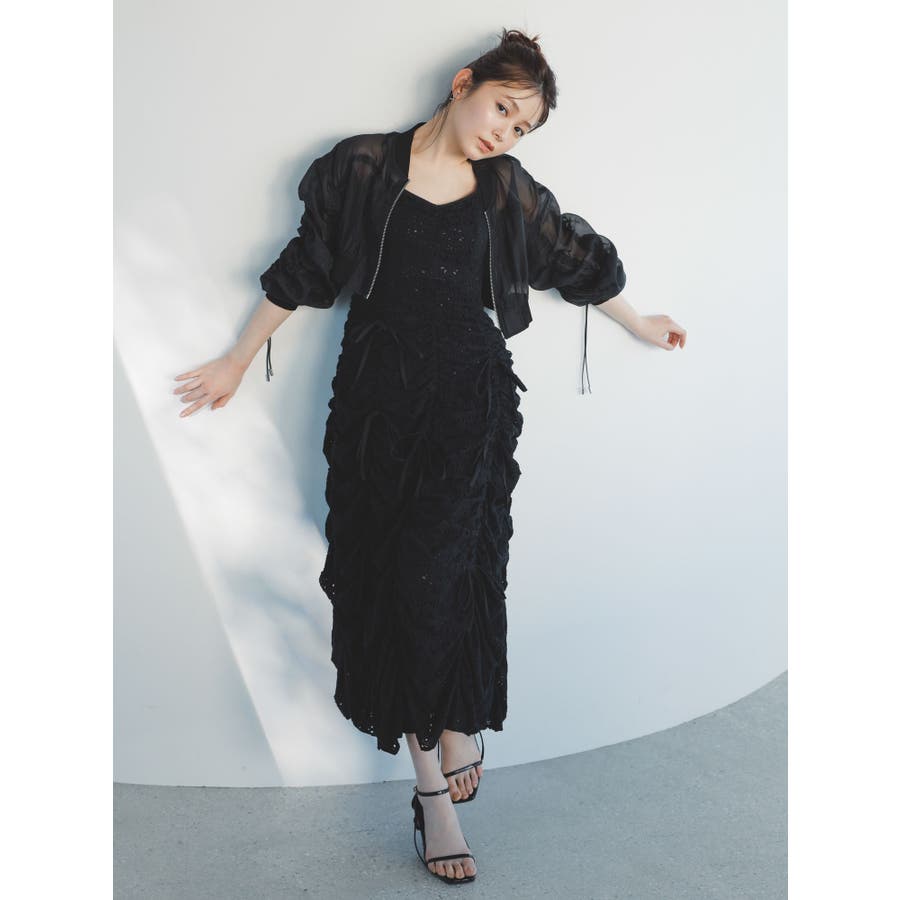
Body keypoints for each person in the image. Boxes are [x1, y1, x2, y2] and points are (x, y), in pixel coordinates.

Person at [172, 28, 687, 886]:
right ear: (463, 83)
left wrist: (638, 321)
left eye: (521, 128)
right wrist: (235, 358)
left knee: (452, 574)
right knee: (394, 580)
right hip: (379, 405)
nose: (504, 133)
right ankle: (431, 786)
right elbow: (307, 267)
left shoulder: (505, 190)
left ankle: (453, 727)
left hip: (470, 403)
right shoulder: (362, 167)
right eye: (502, 110)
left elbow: (570, 257)